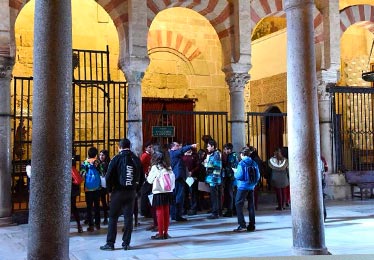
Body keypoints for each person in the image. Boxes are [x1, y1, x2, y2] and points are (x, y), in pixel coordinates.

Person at [100, 138, 143, 251]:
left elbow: (108, 176)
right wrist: (136, 190)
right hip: (131, 192)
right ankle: (126, 243)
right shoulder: (136, 159)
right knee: (128, 218)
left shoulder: (116, 158)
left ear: (119, 147)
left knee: (113, 217)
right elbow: (141, 177)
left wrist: (109, 190)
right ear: (130, 146)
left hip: (118, 192)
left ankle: (110, 243)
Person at [147, 149, 175, 240]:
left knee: (159, 212)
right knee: (167, 212)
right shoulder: (168, 167)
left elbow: (149, 180)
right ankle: (166, 233)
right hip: (168, 191)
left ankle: (160, 233)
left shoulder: (155, 167)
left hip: (158, 192)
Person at [233, 147, 260, 232]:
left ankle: (242, 225)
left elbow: (239, 176)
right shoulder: (253, 162)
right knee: (251, 206)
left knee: (238, 204)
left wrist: (235, 172)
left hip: (242, 187)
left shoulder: (241, 163)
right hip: (251, 187)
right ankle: (252, 225)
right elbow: (258, 176)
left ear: (242, 154)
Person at [169, 141, 197, 221]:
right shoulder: (174, 153)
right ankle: (177, 215)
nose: (179, 147)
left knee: (174, 197)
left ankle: (174, 215)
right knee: (179, 197)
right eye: (177, 146)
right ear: (173, 147)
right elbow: (181, 150)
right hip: (178, 178)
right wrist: (191, 145)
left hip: (175, 177)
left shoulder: (173, 154)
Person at [80, 147, 103, 232]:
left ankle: (91, 225)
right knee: (97, 206)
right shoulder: (98, 162)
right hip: (97, 188)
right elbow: (102, 172)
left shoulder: (85, 163)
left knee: (89, 207)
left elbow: (82, 174)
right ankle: (98, 224)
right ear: (96, 154)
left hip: (88, 188)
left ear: (88, 154)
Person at [204, 139, 222, 219]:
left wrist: (206, 164)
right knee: (214, 196)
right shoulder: (213, 154)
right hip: (212, 179)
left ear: (213, 146)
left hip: (214, 179)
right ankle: (215, 211)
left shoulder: (216, 154)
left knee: (214, 196)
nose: (207, 148)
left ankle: (215, 213)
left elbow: (217, 166)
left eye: (208, 146)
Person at [222, 143, 238, 217]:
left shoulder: (232, 156)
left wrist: (224, 168)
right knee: (232, 195)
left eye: (226, 149)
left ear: (230, 149)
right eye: (224, 149)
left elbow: (231, 167)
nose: (225, 151)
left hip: (231, 177)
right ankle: (234, 210)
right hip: (232, 177)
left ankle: (230, 211)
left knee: (230, 195)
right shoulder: (232, 156)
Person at [182, 148, 200, 215]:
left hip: (192, 177)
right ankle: (184, 208)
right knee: (184, 193)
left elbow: (198, 166)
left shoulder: (194, 156)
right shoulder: (182, 156)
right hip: (184, 177)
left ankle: (193, 209)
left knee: (193, 193)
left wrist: (192, 171)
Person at [71, 158, 83, 233]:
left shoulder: (66, 170)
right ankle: (79, 225)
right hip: (74, 192)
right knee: (74, 208)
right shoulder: (74, 169)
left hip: (69, 191)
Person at [99, 149, 110, 225]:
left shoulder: (108, 164)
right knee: (103, 201)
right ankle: (105, 217)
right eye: (100, 155)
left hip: (108, 184)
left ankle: (107, 217)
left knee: (109, 201)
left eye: (103, 155)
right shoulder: (99, 163)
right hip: (101, 184)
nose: (101, 156)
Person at [321, 156, 328, 221]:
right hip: (322, 179)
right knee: (321, 198)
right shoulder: (322, 158)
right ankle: (323, 216)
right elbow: (326, 169)